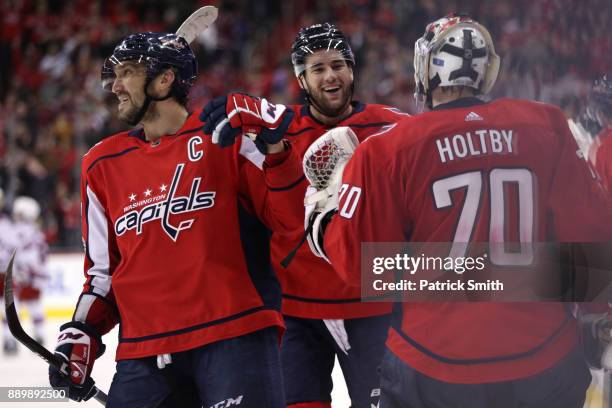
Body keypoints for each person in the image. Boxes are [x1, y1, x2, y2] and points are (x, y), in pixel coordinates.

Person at [306, 14, 612, 407]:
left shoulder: (386, 149)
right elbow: (593, 238)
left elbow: (358, 267)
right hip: (543, 355)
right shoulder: (547, 124)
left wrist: (326, 215)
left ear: (425, 71)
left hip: (433, 361)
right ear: (486, 71)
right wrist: (594, 313)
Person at [48, 32, 305, 407]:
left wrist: (275, 146)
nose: (115, 86)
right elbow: (102, 275)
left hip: (235, 336)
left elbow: (291, 220)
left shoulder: (227, 135)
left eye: (127, 73)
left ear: (165, 79)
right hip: (144, 354)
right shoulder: (100, 164)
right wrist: (82, 332)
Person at [202, 23, 407, 408]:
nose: (331, 75)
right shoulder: (275, 129)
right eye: (317, 68)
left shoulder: (393, 127)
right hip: (296, 313)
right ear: (301, 78)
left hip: (373, 308)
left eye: (338, 65)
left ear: (352, 69)